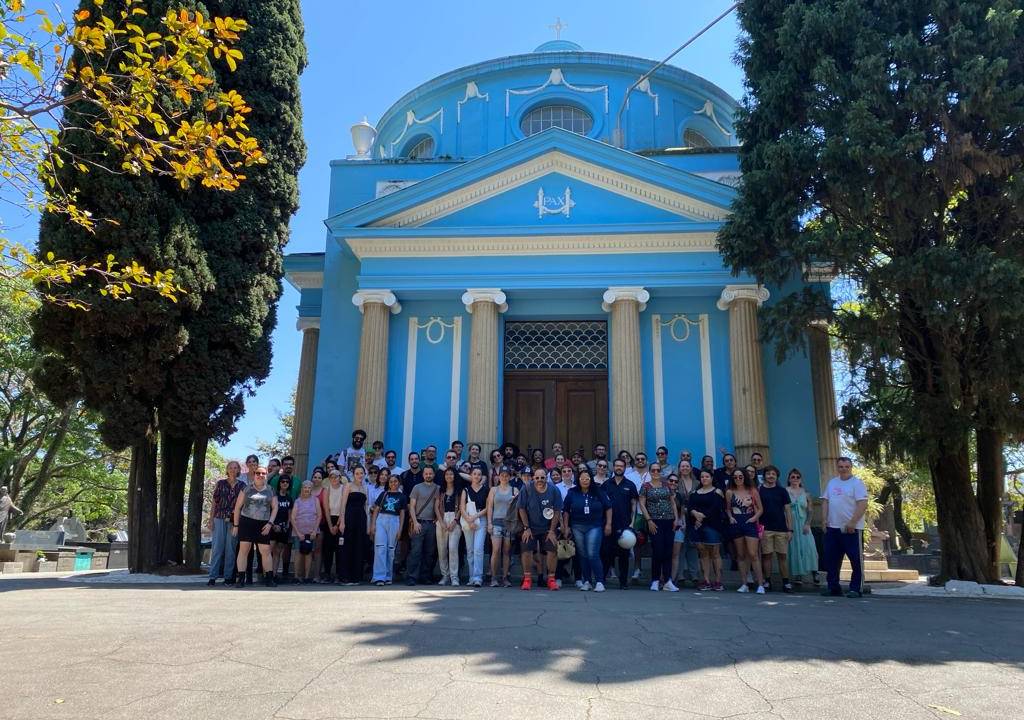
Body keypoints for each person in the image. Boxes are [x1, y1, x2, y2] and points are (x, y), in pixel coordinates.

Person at [821, 457, 869, 598]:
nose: (844, 469)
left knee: (855, 560)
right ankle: (833, 587)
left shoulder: (857, 483)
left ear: (851, 467)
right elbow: (825, 501)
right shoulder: (832, 483)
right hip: (833, 528)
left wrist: (853, 522)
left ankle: (856, 588)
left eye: (846, 466)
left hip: (852, 529)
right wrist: (824, 520)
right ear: (837, 468)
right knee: (832, 560)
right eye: (841, 466)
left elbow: (863, 504)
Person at [562, 469, 612, 592]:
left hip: (594, 526)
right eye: (582, 478)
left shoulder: (598, 492)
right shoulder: (572, 492)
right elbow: (566, 511)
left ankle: (600, 581)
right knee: (583, 555)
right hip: (577, 526)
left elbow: (609, 508)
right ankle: (587, 581)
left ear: (591, 479)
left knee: (592, 553)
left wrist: (608, 524)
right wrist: (566, 526)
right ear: (578, 480)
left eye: (587, 478)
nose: (585, 481)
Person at [231, 466, 279, 587]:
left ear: (266, 475)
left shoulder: (270, 490)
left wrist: (270, 523)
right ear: (254, 474)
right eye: (258, 473)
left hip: (263, 524)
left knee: (266, 552)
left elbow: (275, 508)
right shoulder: (246, 489)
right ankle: (241, 579)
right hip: (246, 523)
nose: (260, 475)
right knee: (243, 551)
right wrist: (236, 525)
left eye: (263, 473)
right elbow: (237, 508)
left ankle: (269, 579)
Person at [518, 467, 562, 591]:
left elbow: (557, 510)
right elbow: (521, 508)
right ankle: (527, 579)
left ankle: (551, 579)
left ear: (546, 478)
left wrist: (552, 530)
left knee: (552, 549)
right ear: (533, 478)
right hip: (530, 526)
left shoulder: (554, 490)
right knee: (526, 549)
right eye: (537, 478)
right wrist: (526, 528)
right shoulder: (526, 488)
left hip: (547, 527)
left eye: (542, 477)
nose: (540, 480)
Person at [639, 463, 679, 592]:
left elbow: (672, 503)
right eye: (653, 470)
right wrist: (649, 520)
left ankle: (667, 581)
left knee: (668, 551)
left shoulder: (667, 486)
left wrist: (676, 519)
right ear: (650, 472)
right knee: (658, 551)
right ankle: (655, 580)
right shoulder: (645, 486)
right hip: (655, 522)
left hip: (669, 521)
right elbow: (642, 504)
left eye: (658, 470)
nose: (656, 472)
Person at [726, 468, 766, 594]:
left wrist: (753, 518)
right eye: (735, 477)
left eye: (740, 476)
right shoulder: (729, 492)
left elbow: (760, 509)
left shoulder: (752, 490)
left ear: (745, 477)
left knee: (753, 554)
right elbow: (727, 509)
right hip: (737, 523)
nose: (738, 479)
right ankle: (744, 583)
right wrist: (730, 517)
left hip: (750, 523)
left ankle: (760, 584)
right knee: (741, 555)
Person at [601, 458, 639, 589]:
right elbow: (602, 505)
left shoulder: (630, 484)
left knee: (624, 555)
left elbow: (634, 505)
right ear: (613, 467)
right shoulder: (606, 484)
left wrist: (632, 524)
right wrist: (605, 524)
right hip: (608, 525)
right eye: (616, 465)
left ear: (624, 468)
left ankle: (623, 582)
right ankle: (602, 580)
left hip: (625, 525)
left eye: (621, 466)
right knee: (606, 553)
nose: (618, 468)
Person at [207, 461, 244, 586]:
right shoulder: (220, 484)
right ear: (227, 470)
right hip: (219, 518)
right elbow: (214, 503)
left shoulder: (242, 485)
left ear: (239, 470)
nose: (233, 470)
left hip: (234, 520)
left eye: (235, 468)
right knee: (217, 547)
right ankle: (213, 576)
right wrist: (211, 519)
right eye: (230, 468)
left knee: (231, 549)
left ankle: (228, 577)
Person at [758, 465, 793, 592]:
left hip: (781, 529)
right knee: (766, 556)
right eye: (768, 474)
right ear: (764, 476)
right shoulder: (759, 490)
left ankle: (786, 582)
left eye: (773, 474)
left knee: (782, 556)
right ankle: (767, 581)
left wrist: (790, 529)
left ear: (776, 476)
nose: (771, 476)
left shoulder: (782, 491)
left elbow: (788, 511)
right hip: (765, 528)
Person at [689, 469, 726, 590]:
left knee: (715, 553)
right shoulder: (695, 492)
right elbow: (690, 506)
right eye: (702, 477)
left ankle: (718, 581)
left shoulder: (717, 492)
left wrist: (702, 516)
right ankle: (706, 580)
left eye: (707, 476)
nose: (704, 478)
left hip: (712, 525)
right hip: (697, 526)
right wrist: (695, 514)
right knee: (703, 553)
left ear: (711, 478)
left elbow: (717, 507)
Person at [370, 473, 408, 585]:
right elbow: (376, 510)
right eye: (391, 481)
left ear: (399, 482)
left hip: (394, 521)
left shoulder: (402, 496)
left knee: (391, 550)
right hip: (381, 520)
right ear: (388, 483)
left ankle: (388, 575)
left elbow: (402, 514)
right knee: (380, 547)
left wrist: (400, 529)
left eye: (395, 481)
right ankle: (378, 576)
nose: (393, 483)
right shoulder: (384, 494)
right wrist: (373, 525)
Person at [336, 465, 369, 585]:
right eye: (357, 473)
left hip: (361, 520)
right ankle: (344, 577)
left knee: (358, 547)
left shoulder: (365, 488)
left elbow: (366, 507)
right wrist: (342, 521)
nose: (360, 475)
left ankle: (356, 576)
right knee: (346, 547)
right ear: (353, 474)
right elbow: (343, 504)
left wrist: (368, 524)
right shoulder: (348, 486)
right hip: (349, 518)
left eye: (362, 473)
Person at [785, 468, 819, 585]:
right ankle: (797, 574)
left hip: (803, 523)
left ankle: (815, 572)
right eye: (792, 477)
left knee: (809, 547)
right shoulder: (785, 491)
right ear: (789, 479)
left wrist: (808, 524)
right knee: (794, 548)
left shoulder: (806, 493)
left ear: (801, 479)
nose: (795, 479)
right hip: (791, 523)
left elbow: (810, 510)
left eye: (797, 477)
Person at [406, 466, 439, 585]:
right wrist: (415, 522)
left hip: (432, 524)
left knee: (429, 552)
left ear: (434, 475)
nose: (428, 475)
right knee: (415, 551)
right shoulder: (417, 487)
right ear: (423, 475)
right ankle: (412, 577)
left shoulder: (438, 488)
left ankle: (425, 577)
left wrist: (437, 519)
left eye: (430, 473)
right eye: (426, 473)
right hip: (419, 522)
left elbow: (439, 506)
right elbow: (412, 506)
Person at [486, 466, 517, 587]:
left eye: (506, 475)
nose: (504, 477)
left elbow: (518, 507)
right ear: (498, 476)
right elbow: (489, 507)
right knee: (496, 550)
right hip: (496, 521)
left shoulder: (514, 490)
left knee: (506, 551)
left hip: (509, 522)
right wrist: (489, 522)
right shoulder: (494, 490)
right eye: (502, 475)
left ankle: (505, 577)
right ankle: (494, 577)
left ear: (510, 477)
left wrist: (514, 501)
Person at [460, 467, 490, 587]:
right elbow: (462, 507)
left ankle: (478, 577)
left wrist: (476, 516)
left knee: (478, 548)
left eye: (479, 474)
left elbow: (488, 507)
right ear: (471, 476)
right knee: (470, 550)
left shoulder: (486, 490)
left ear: (482, 476)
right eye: (475, 474)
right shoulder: (466, 490)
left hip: (481, 519)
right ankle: (471, 577)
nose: (477, 476)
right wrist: (468, 518)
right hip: (468, 518)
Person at [434, 467, 463, 585]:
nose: (449, 476)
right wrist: (441, 521)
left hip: (455, 520)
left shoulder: (459, 490)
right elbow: (436, 507)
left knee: (452, 548)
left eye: (451, 474)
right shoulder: (440, 490)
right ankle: (445, 576)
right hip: (442, 519)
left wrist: (455, 520)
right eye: (447, 474)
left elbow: (461, 507)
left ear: (454, 476)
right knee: (441, 550)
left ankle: (454, 576)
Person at [673, 460, 701, 586]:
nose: (685, 468)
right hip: (679, 518)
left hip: (695, 518)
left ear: (691, 468)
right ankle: (679, 575)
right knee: (680, 546)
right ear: (679, 468)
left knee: (693, 546)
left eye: (687, 466)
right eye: (682, 466)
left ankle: (694, 575)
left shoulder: (698, 483)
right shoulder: (675, 482)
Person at [291, 480, 322, 583]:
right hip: (298, 532)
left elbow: (319, 515)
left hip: (311, 532)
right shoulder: (297, 501)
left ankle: (307, 576)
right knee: (298, 553)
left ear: (311, 489)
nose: (307, 489)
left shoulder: (315, 500)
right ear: (302, 489)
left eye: (309, 488)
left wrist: (314, 531)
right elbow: (292, 517)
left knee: (308, 553)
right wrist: (298, 533)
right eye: (305, 487)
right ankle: (296, 576)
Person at [321, 469, 346, 582]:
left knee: (340, 549)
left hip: (340, 519)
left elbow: (343, 507)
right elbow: (326, 508)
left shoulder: (343, 489)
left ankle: (338, 574)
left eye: (336, 476)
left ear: (340, 477)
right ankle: (327, 573)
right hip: (329, 520)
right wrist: (331, 526)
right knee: (328, 549)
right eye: (331, 476)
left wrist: (337, 524)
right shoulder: (327, 490)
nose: (334, 478)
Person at [271, 475, 295, 582]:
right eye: (282, 481)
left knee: (278, 553)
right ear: (279, 483)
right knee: (269, 551)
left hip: (283, 529)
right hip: (272, 527)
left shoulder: (289, 498)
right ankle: (267, 574)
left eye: (287, 482)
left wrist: (287, 526)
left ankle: (274, 575)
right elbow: (269, 512)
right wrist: (273, 525)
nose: (285, 483)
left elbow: (290, 515)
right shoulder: (274, 496)